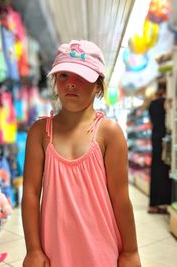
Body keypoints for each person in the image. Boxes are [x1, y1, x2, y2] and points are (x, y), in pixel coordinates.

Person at [21, 40, 141, 267]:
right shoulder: (40, 133)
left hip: (101, 249)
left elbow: (120, 198)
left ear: (98, 85)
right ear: (55, 81)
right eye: (64, 75)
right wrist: (33, 249)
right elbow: (30, 192)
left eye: (81, 76)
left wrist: (131, 251)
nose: (71, 84)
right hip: (54, 250)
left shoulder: (109, 133)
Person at [148, 80, 172, 214]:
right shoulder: (165, 103)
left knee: (155, 169)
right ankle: (162, 202)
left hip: (155, 138)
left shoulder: (152, 103)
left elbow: (152, 122)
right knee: (163, 170)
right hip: (163, 139)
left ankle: (153, 203)